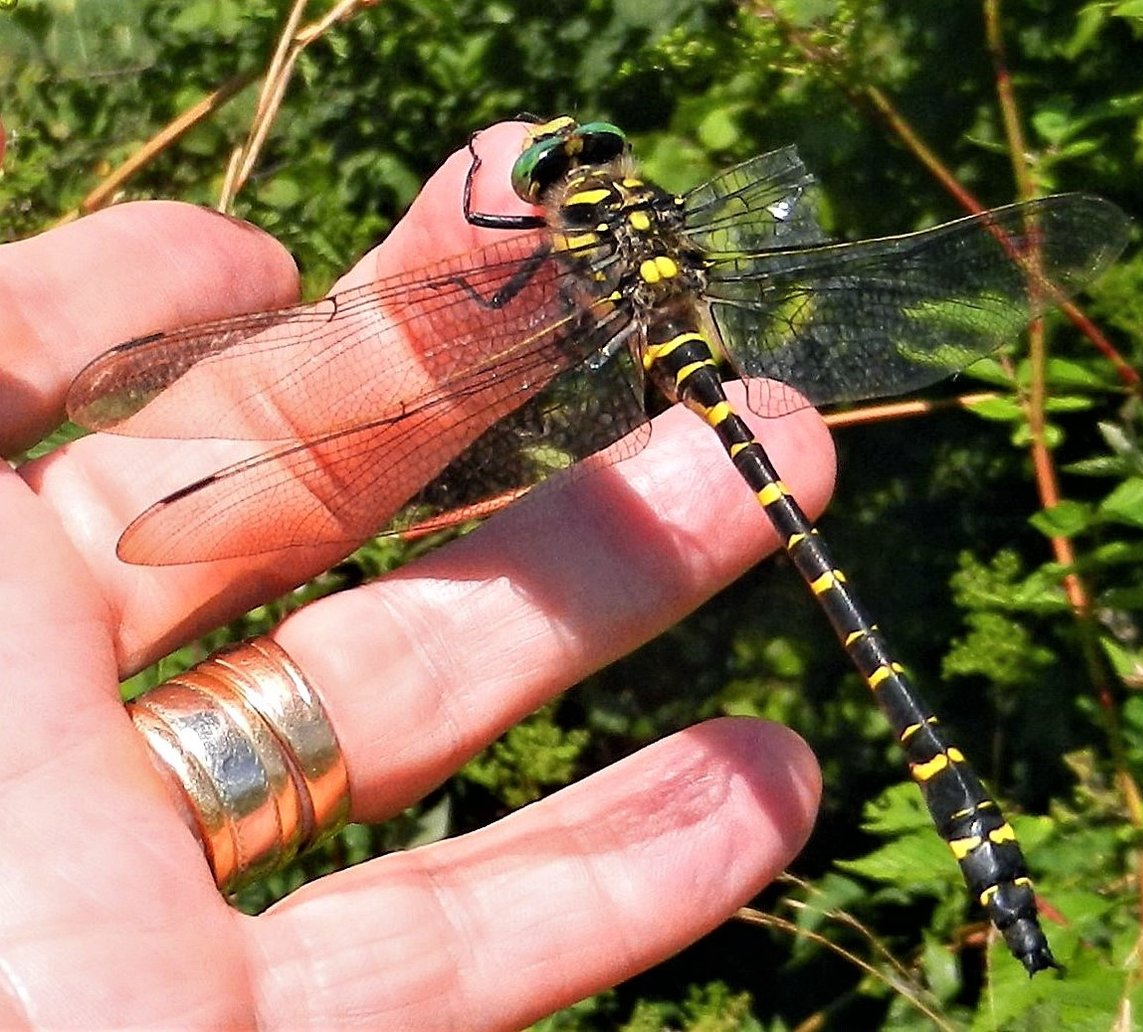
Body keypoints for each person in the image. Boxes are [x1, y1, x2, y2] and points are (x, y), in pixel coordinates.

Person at [0, 119, 829, 1027]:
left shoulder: (551, 256)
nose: (574, 158)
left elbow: (483, 288)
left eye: (573, 155)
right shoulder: (658, 228)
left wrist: (485, 183)